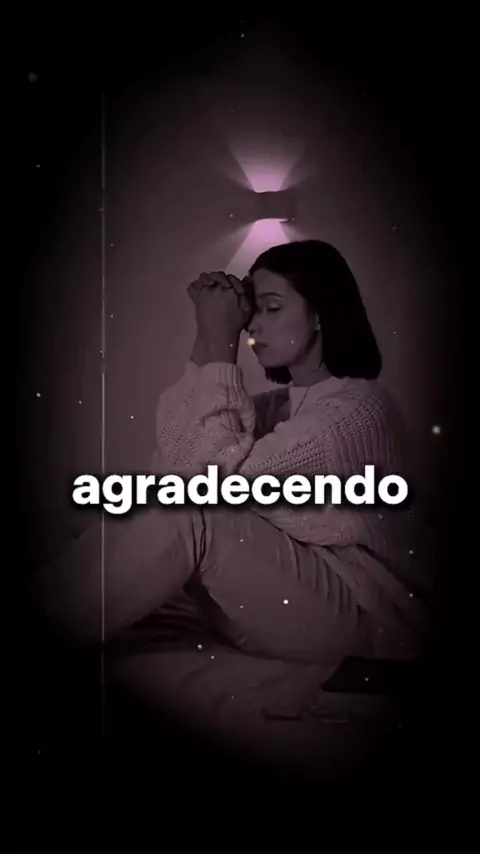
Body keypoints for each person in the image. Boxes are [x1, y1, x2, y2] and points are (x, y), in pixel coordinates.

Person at [36, 240, 432, 667]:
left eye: (272, 308)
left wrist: (220, 343)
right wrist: (205, 339)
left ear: (320, 312)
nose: (253, 326)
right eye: (252, 310)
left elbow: (212, 486)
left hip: (360, 615)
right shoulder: (278, 408)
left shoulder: (358, 410)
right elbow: (176, 458)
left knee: (190, 508)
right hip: (282, 605)